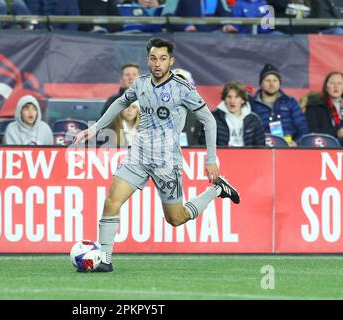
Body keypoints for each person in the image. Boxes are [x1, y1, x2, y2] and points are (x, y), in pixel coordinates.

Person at [74, 37, 240, 272]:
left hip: (166, 161)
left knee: (176, 219)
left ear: (170, 61)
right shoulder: (141, 84)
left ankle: (217, 189)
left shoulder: (182, 89)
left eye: (163, 58)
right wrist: (95, 128)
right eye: (153, 58)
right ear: (148, 60)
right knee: (111, 202)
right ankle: (105, 260)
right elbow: (120, 103)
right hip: (139, 155)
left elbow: (209, 121)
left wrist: (211, 158)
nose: (158, 63)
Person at [251, 63, 309, 146]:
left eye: (275, 80)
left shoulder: (290, 102)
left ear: (279, 83)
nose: (271, 84)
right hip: (262, 149)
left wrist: (296, 143)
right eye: (267, 80)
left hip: (289, 148)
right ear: (261, 84)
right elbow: (249, 131)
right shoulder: (252, 104)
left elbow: (302, 128)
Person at [198, 81, 265, 146]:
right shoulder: (213, 118)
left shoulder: (254, 120)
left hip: (249, 157)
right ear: (224, 99)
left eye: (237, 97)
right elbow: (205, 145)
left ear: (243, 100)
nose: (232, 101)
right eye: (229, 97)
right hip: (221, 156)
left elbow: (261, 148)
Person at [305, 71, 343, 145]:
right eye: (332, 83)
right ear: (326, 86)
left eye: (339, 83)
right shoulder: (314, 105)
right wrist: (336, 133)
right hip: (325, 145)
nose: (336, 86)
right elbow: (311, 131)